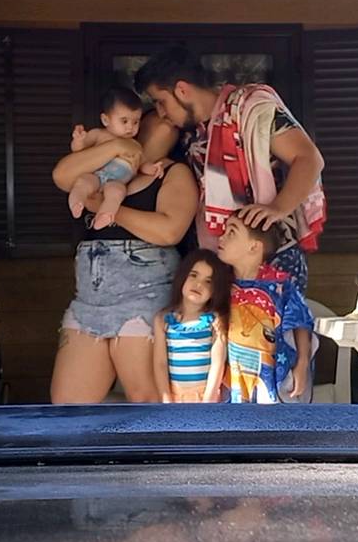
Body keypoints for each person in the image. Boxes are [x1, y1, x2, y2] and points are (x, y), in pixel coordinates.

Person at [134, 46, 326, 295]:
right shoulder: (189, 132)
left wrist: (278, 207)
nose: (160, 112)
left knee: (272, 321)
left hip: (270, 252)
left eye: (161, 102)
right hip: (217, 259)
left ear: (182, 90)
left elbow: (309, 158)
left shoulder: (249, 107)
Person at [50, 115, 198, 404]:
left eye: (172, 120)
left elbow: (169, 230)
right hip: (91, 298)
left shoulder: (173, 171)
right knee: (68, 403)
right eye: (157, 113)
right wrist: (117, 145)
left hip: (144, 295)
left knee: (145, 399)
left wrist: (107, 209)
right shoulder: (106, 162)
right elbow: (62, 176)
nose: (165, 119)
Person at [216, 212, 317, 403]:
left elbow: (301, 322)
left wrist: (302, 364)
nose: (221, 237)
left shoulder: (280, 285)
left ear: (254, 247)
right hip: (233, 379)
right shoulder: (219, 285)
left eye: (232, 232)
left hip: (272, 377)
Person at [67, 87, 164, 230]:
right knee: (82, 183)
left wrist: (152, 168)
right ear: (106, 120)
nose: (130, 127)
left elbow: (141, 163)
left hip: (117, 182)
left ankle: (105, 215)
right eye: (124, 121)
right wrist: (79, 140)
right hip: (96, 175)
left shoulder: (135, 145)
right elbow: (78, 152)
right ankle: (76, 203)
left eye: (135, 122)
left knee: (117, 193)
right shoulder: (99, 134)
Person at [153, 248, 233, 403]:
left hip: (206, 398)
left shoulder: (215, 321)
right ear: (182, 276)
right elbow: (160, 364)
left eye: (208, 281)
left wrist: (208, 401)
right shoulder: (163, 320)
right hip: (175, 398)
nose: (198, 284)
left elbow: (217, 363)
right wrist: (166, 399)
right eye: (194, 275)